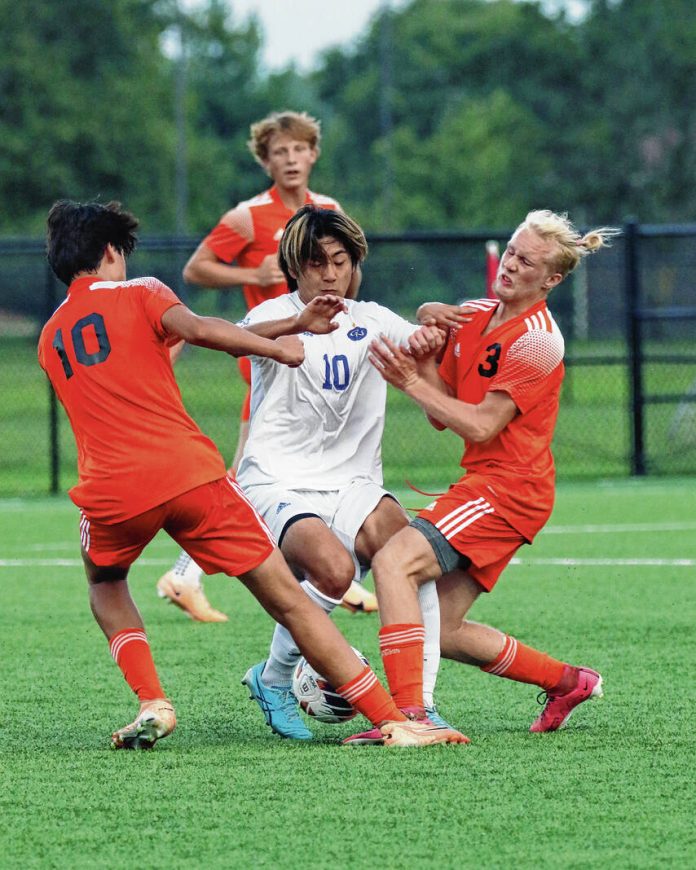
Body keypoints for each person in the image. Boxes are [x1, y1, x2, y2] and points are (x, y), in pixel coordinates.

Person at [37, 199, 467, 750]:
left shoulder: (50, 338)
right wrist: (279, 347)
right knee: (290, 598)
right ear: (110, 252)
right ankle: (396, 719)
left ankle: (154, 700)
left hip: (112, 491)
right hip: (193, 476)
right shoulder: (143, 290)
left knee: (105, 582)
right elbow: (197, 328)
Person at [346, 209, 619, 745]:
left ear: (552, 280)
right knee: (440, 630)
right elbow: (440, 412)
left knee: (394, 561)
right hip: (490, 483)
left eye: (527, 262)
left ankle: (409, 718)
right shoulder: (472, 314)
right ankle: (567, 682)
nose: (512, 265)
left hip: (510, 489)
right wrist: (424, 357)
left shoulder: (539, 341)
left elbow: (482, 422)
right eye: (512, 251)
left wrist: (406, 378)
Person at [233, 205, 451, 739]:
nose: (329, 274)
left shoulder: (374, 319)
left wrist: (427, 344)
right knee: (333, 570)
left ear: (354, 264)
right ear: (296, 268)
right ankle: (276, 678)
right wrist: (299, 324)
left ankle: (418, 703)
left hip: (352, 483)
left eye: (339, 261)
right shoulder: (272, 316)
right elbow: (232, 334)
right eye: (315, 264)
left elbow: (428, 363)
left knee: (407, 549)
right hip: (276, 480)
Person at [158, 110, 370, 621]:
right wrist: (252, 270)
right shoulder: (248, 217)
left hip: (324, 359)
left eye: (299, 149)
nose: (291, 159)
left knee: (314, 463)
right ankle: (185, 573)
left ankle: (326, 573)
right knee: (250, 469)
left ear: (314, 153)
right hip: (274, 357)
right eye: (280, 152)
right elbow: (196, 268)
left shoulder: (329, 209)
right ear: (266, 161)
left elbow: (353, 274)